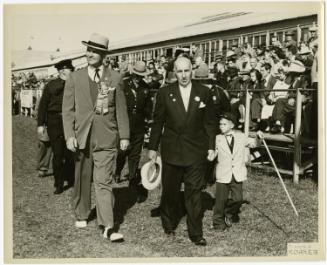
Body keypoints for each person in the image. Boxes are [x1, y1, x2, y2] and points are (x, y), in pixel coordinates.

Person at [62, 33, 130, 242]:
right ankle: (81, 213)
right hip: (81, 137)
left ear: (103, 55)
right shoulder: (75, 77)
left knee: (103, 182)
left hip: (106, 138)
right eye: (88, 50)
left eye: (95, 51)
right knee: (82, 177)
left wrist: (124, 135)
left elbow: (121, 110)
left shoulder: (115, 78)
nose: (89, 54)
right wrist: (69, 136)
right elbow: (68, 110)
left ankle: (107, 226)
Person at [148, 57, 216, 246]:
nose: (184, 75)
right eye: (180, 72)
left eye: (187, 71)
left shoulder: (204, 92)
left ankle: (195, 232)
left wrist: (211, 146)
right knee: (170, 190)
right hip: (172, 150)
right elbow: (158, 122)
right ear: (174, 72)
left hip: (196, 150)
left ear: (192, 71)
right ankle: (168, 222)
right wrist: (153, 147)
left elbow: (210, 123)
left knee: (194, 192)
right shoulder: (164, 93)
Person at [208, 113, 263, 231]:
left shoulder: (241, 137)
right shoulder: (217, 138)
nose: (221, 126)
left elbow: (254, 144)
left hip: (237, 173)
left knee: (238, 199)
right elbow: (213, 152)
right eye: (220, 124)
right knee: (220, 201)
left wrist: (259, 137)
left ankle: (228, 212)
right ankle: (218, 223)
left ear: (232, 125)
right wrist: (210, 155)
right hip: (223, 173)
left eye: (224, 124)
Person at [115, 61, 153, 203]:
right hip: (125, 124)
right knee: (122, 151)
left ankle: (131, 177)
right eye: (136, 75)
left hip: (139, 126)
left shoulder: (146, 88)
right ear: (132, 73)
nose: (138, 78)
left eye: (140, 76)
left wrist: (149, 122)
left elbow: (148, 107)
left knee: (135, 153)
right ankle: (118, 171)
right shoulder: (124, 85)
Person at [37, 59, 75, 194]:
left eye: (69, 69)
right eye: (62, 69)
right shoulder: (51, 85)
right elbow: (43, 106)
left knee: (70, 152)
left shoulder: (76, 85)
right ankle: (58, 183)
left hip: (71, 121)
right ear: (60, 71)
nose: (66, 71)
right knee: (58, 153)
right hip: (54, 121)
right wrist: (40, 124)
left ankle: (71, 178)